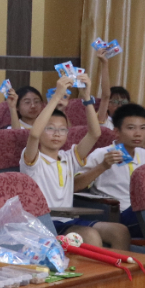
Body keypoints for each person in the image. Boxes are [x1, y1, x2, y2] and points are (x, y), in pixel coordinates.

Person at [22, 73, 127, 248]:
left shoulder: (69, 157)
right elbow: (33, 134)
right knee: (90, 235)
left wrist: (87, 97)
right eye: (50, 128)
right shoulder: (33, 158)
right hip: (45, 223)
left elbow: (95, 133)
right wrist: (56, 96)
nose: (57, 134)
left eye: (62, 129)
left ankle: (120, 267)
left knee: (120, 231)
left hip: (67, 220)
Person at [79, 103, 145, 232]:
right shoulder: (101, 154)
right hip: (118, 214)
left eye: (143, 128)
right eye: (131, 128)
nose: (138, 134)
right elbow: (76, 186)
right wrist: (103, 166)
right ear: (117, 131)